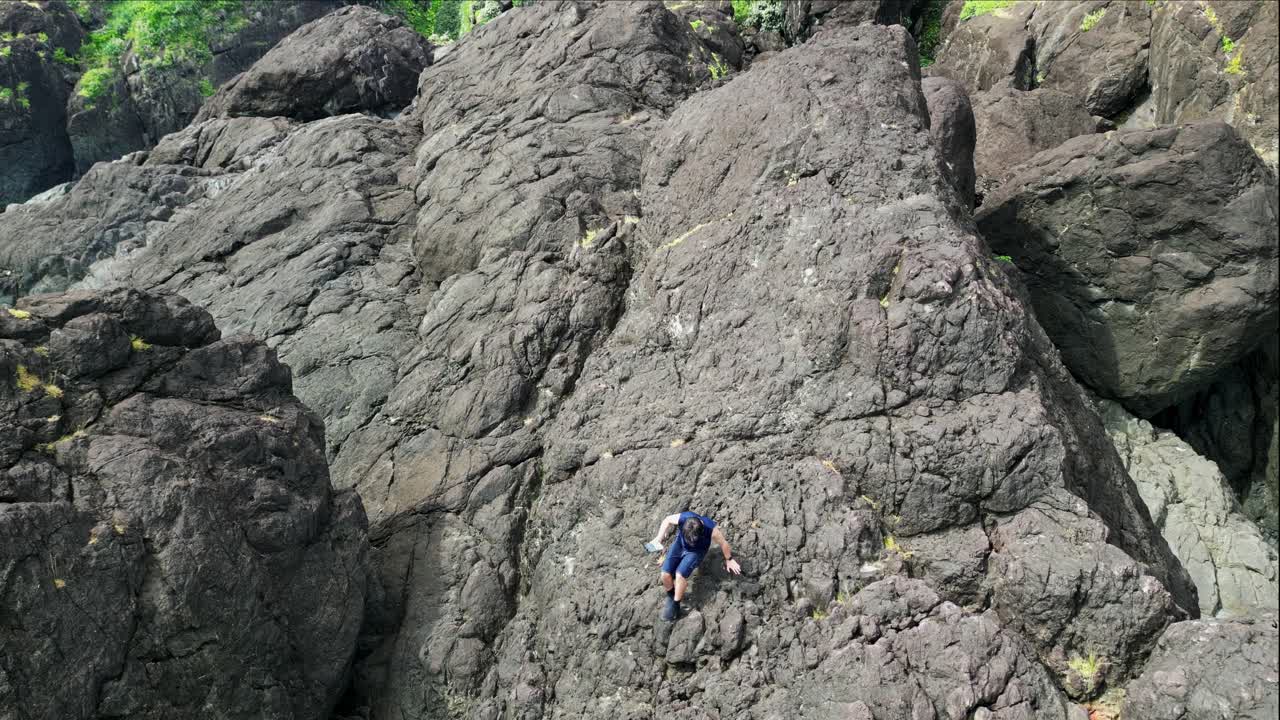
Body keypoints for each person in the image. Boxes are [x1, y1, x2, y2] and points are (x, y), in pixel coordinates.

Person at [648, 510, 741, 621]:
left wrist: (729, 559)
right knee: (665, 574)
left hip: (696, 551)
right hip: (680, 544)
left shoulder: (710, 529)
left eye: (692, 540)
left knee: (679, 575)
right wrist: (659, 538)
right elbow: (667, 519)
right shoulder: (684, 517)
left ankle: (676, 605)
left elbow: (723, 543)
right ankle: (671, 596)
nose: (690, 541)